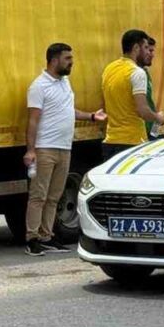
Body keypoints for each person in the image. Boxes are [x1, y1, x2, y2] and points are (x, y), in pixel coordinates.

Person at [24, 43, 106, 256]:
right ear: (54, 60)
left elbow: (68, 110)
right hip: (45, 148)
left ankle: (47, 236)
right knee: (38, 195)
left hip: (64, 147)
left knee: (55, 196)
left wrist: (90, 116)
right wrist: (30, 150)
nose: (72, 62)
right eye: (67, 58)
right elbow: (32, 121)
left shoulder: (65, 82)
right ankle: (32, 239)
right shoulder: (39, 86)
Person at [101, 29, 164, 161]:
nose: (148, 52)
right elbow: (143, 111)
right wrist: (158, 118)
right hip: (132, 141)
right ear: (136, 47)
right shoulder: (137, 72)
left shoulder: (109, 69)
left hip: (110, 140)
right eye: (146, 47)